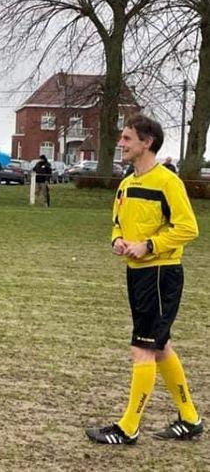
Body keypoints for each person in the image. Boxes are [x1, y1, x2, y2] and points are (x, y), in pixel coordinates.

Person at [86, 115, 202, 445]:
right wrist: (117, 241)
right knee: (159, 345)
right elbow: (116, 224)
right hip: (136, 275)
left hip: (161, 275)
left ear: (146, 142)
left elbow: (188, 228)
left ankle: (128, 427)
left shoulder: (168, 182)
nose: (120, 144)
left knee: (142, 348)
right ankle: (191, 419)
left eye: (126, 139)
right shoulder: (127, 184)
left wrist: (149, 245)